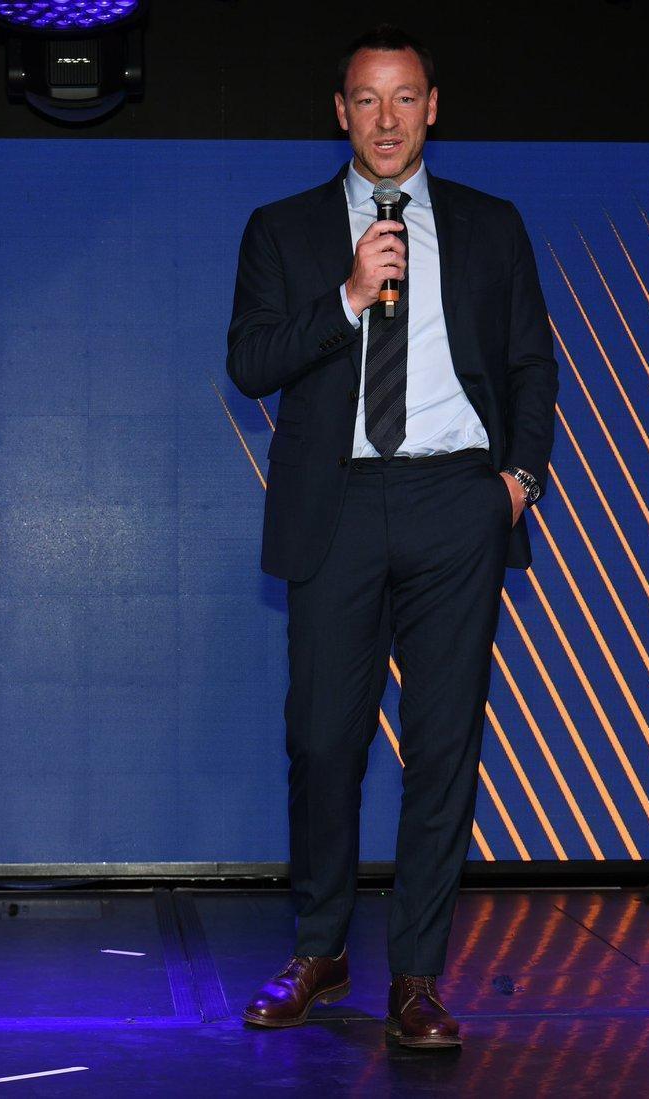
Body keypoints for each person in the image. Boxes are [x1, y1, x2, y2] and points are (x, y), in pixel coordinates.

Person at [225, 25, 558, 1049]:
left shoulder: (490, 224)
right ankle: (320, 948)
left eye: (404, 98)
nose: (386, 119)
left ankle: (416, 977)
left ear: (432, 107)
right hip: (335, 504)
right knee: (323, 740)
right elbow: (251, 362)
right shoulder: (283, 229)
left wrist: (514, 484)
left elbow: (531, 362)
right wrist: (347, 297)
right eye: (366, 100)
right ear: (340, 113)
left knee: (444, 747)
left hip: (456, 501)